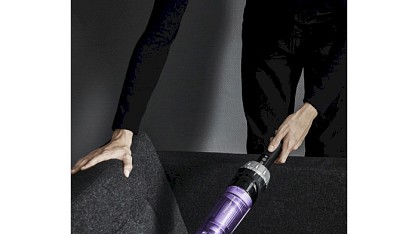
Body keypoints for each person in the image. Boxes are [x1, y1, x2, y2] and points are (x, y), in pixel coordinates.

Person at [71, 0, 346, 177]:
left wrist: (311, 109)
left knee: (331, 155)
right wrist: (123, 133)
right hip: (267, 27)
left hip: (337, 30)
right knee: (265, 153)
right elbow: (159, 33)